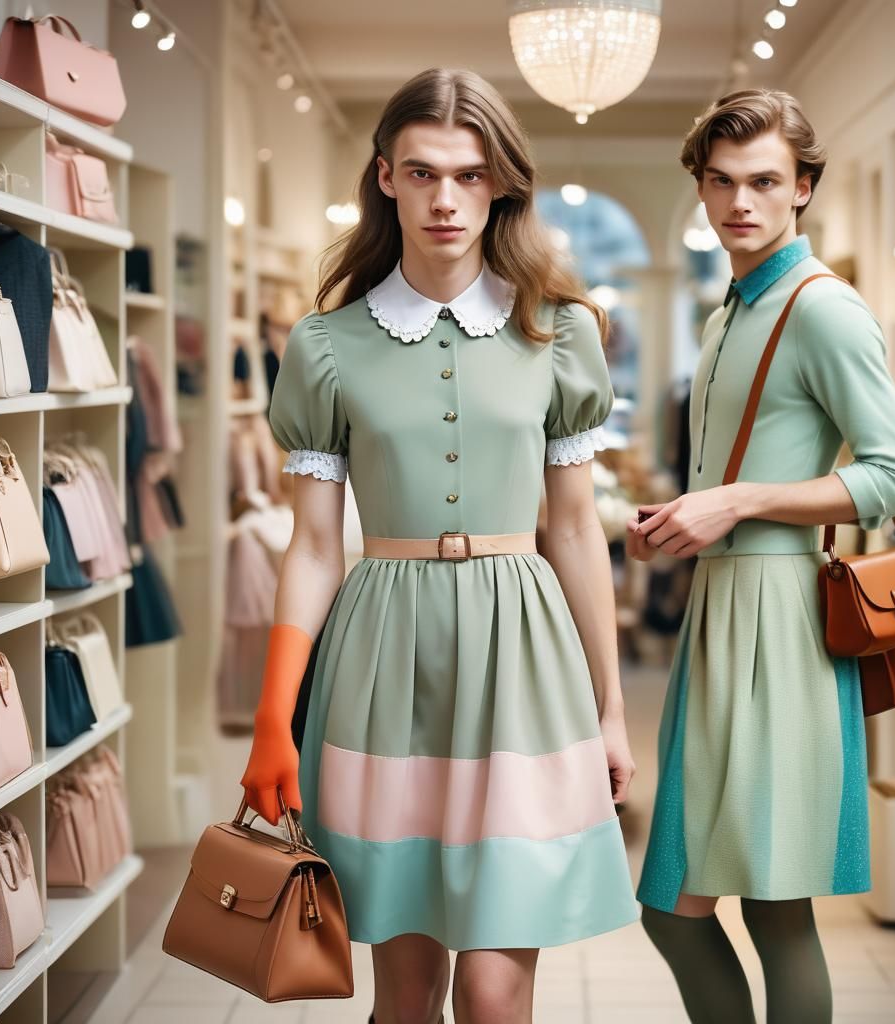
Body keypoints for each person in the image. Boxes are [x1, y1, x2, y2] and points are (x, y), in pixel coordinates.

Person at [240, 68, 639, 1024]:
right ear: (385, 177)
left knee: (498, 996)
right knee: (409, 992)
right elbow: (310, 549)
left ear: (501, 182)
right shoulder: (326, 345)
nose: (446, 199)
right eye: (422, 173)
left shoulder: (561, 332)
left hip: (524, 662)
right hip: (382, 661)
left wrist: (614, 710)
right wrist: (271, 715)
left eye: (468, 175)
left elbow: (578, 530)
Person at [630, 89, 895, 1023]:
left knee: (775, 906)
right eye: (720, 183)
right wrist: (688, 514)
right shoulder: (726, 317)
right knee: (674, 910)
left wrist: (742, 500)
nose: (739, 203)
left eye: (764, 182)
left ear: (802, 187)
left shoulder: (823, 309)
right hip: (722, 616)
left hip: (784, 627)